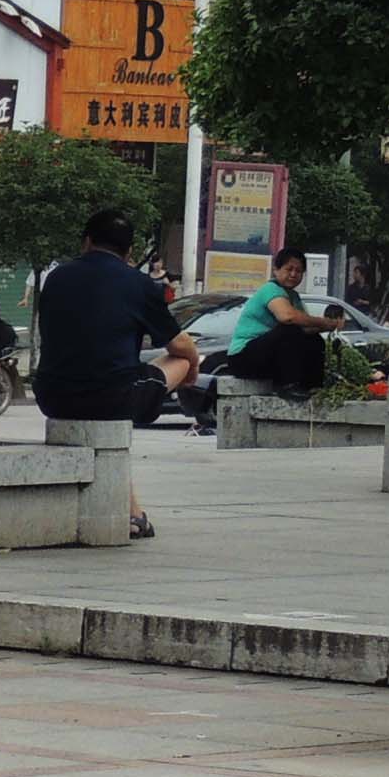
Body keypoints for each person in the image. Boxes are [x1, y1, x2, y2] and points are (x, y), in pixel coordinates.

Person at [33, 208, 197, 538]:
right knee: (182, 359)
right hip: (113, 397)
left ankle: (135, 514)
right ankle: (134, 514)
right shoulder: (140, 285)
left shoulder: (56, 278)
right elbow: (180, 345)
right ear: (129, 251)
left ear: (86, 242)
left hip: (52, 395)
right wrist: (193, 368)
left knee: (106, 427)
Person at [220, 251, 347, 395]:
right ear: (276, 270)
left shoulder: (294, 296)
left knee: (315, 340)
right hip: (243, 357)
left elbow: (304, 329)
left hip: (266, 357)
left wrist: (329, 326)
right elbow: (287, 317)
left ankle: (313, 387)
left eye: (298, 271)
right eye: (289, 269)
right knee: (288, 330)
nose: (293, 274)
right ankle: (287, 385)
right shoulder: (270, 289)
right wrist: (322, 322)